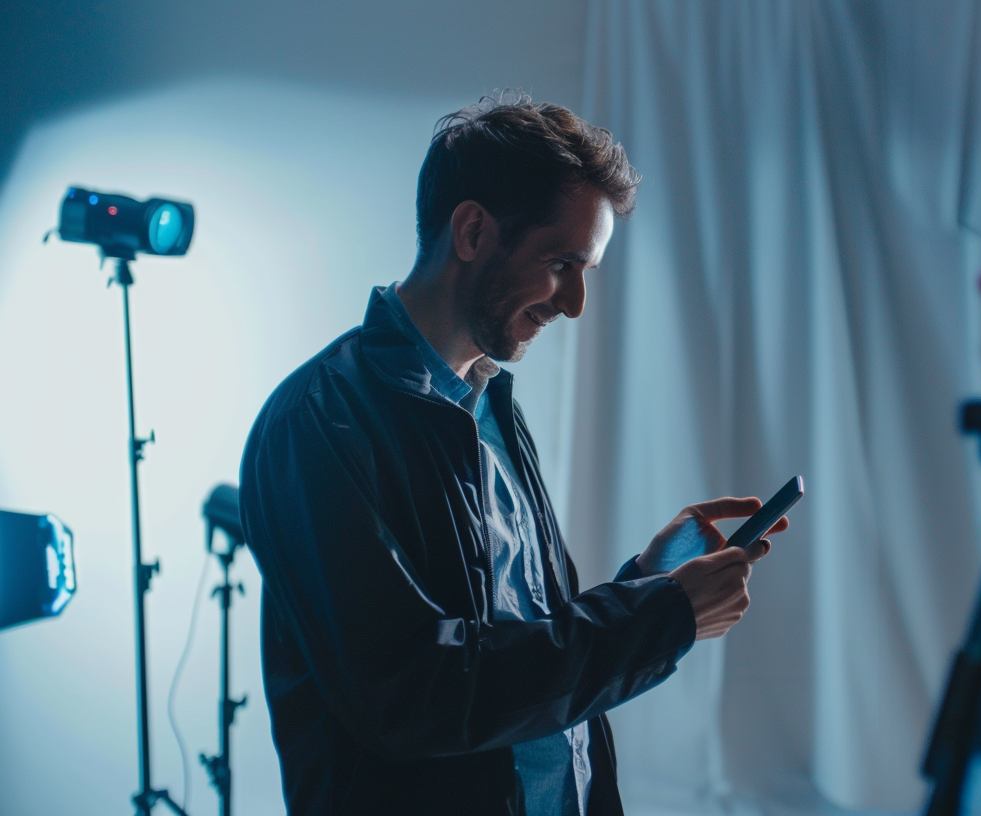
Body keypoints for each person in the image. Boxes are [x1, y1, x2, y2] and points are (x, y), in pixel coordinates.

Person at [239, 96, 786, 816]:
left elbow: (513, 650)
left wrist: (648, 582)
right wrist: (662, 619)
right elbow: (416, 693)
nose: (577, 303)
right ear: (472, 230)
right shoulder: (319, 422)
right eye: (562, 262)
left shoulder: (494, 409)